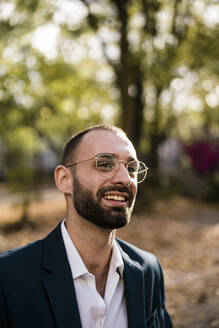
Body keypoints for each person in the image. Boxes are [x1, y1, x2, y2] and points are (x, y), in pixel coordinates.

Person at [0, 125, 172, 328]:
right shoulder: (8, 278)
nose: (125, 179)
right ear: (64, 180)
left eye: (132, 168)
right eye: (105, 164)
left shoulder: (148, 271)